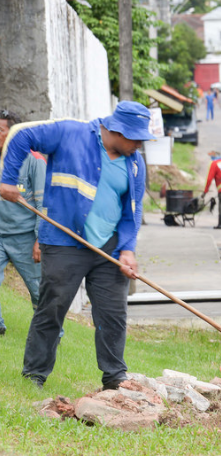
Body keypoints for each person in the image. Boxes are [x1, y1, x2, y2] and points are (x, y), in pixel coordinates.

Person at [0, 101, 152, 390]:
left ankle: (114, 377)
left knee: (113, 315)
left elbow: (132, 211)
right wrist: (8, 179)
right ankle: (34, 375)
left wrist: (128, 249)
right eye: (137, 139)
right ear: (118, 131)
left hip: (109, 249)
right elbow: (21, 135)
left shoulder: (134, 164)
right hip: (63, 242)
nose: (140, 145)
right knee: (51, 309)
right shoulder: (70, 133)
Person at [0, 109, 46, 337]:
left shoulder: (34, 160)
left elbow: (43, 202)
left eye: (0, 130)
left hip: (25, 237)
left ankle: (50, 334)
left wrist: (40, 239)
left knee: (38, 290)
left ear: (13, 134)